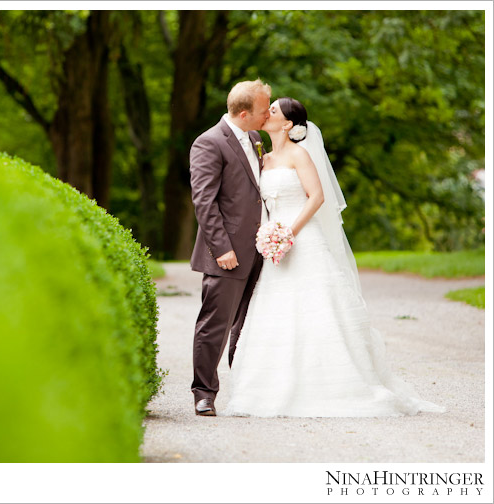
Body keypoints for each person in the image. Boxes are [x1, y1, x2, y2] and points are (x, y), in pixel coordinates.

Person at [223, 97, 444, 417]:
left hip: (302, 239)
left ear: (286, 124)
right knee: (278, 311)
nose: (266, 112)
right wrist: (270, 236)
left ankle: (333, 385)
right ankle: (270, 388)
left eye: (273, 111)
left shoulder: (300, 155)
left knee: (319, 309)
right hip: (275, 249)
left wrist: (289, 233)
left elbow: (317, 197)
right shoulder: (264, 159)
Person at [189, 79, 271, 416]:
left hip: (262, 250)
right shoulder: (209, 143)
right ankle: (204, 393)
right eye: (264, 109)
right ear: (243, 112)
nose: (268, 114)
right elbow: (204, 201)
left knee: (248, 323)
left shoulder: (255, 139)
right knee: (215, 325)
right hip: (228, 254)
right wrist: (222, 248)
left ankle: (245, 390)